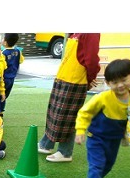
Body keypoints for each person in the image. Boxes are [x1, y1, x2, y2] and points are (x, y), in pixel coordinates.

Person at [74, 59, 130, 178]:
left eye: (124, 80)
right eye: (114, 82)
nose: (120, 85)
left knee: (108, 165)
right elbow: (85, 113)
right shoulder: (103, 98)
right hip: (96, 137)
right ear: (108, 83)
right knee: (97, 164)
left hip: (114, 139)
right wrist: (80, 130)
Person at [38, 33, 100, 162]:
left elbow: (92, 60)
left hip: (75, 80)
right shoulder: (75, 32)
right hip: (63, 77)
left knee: (68, 117)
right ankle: (46, 144)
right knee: (54, 114)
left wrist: (90, 78)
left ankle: (65, 152)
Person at [1, 33, 24, 114]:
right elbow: (21, 60)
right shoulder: (18, 51)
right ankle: (1, 110)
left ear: (5, 42)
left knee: (0, 93)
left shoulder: (4, 53)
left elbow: (1, 65)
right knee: (5, 94)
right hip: (12, 77)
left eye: (3, 38)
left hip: (4, 77)